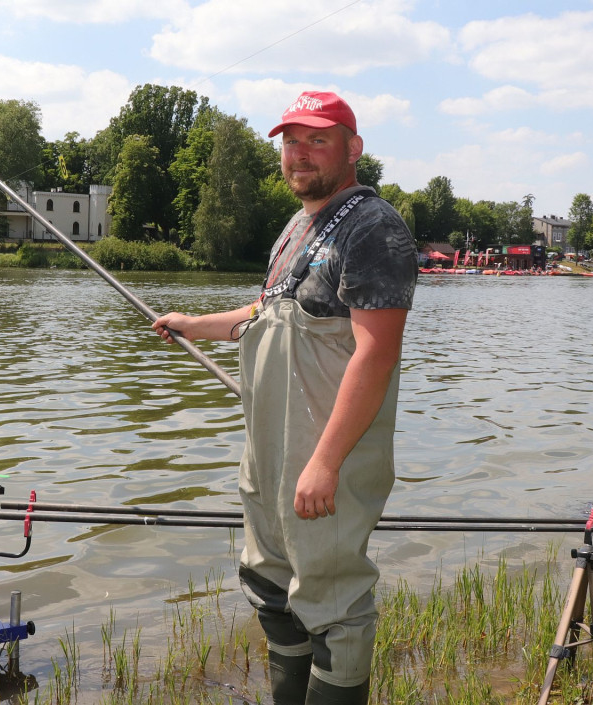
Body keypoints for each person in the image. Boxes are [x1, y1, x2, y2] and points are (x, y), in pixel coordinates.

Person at [152, 90, 417, 704]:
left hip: (329, 453)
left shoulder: (376, 228)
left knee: (333, 597)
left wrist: (324, 462)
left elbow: (376, 352)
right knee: (271, 584)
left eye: (317, 139)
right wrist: (196, 323)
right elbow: (265, 312)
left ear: (353, 148)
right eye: (291, 141)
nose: (299, 154)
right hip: (270, 453)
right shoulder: (296, 228)